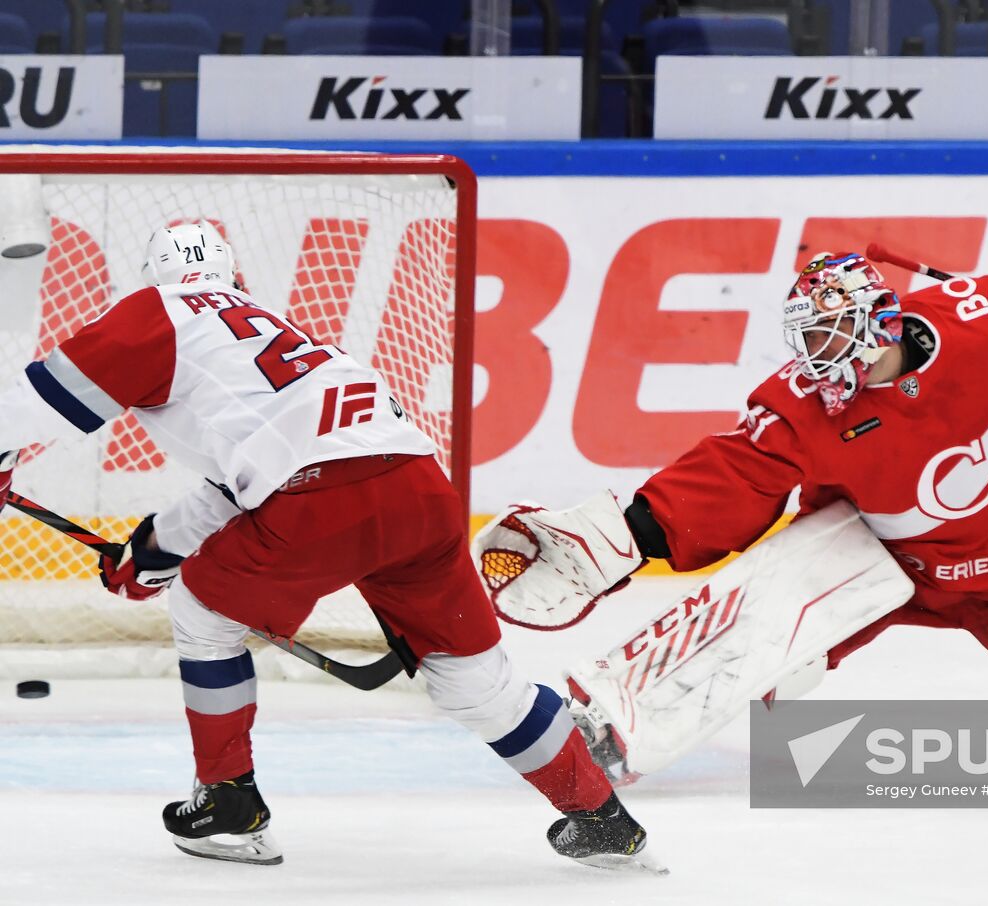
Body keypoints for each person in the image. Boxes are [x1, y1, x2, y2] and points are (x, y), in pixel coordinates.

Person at [0, 222, 658, 871]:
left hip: (320, 501)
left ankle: (229, 805)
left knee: (201, 615)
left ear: (155, 276)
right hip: (420, 491)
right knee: (478, 686)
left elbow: (35, 402)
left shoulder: (160, 311)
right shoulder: (266, 326)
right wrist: (153, 552)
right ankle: (604, 820)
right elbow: (235, 488)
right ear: (231, 275)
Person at [474, 249, 988, 765]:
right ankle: (624, 722)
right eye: (809, 340)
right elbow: (729, 479)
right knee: (774, 665)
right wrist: (629, 537)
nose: (814, 359)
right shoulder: (801, 409)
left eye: (828, 338)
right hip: (874, 558)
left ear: (878, 327)